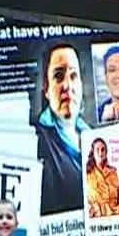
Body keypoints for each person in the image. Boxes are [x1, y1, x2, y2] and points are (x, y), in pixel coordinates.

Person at [33, 41, 87, 214]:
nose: (67, 86)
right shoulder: (34, 139)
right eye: (58, 76)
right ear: (46, 89)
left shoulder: (94, 135)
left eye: (73, 75)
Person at [84, 139, 119, 218]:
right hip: (97, 217)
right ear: (93, 153)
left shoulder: (113, 172)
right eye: (97, 150)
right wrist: (93, 209)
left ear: (106, 152)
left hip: (115, 216)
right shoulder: (87, 174)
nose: (100, 153)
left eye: (103, 150)